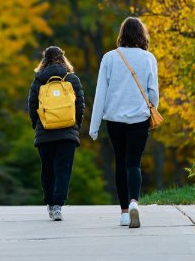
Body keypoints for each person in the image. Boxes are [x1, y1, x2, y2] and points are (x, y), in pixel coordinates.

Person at [89, 17, 159, 228]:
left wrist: (94, 128)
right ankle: (135, 201)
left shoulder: (109, 58)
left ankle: (124, 212)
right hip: (139, 118)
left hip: (115, 119)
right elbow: (153, 92)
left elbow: (101, 92)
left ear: (122, 34)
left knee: (120, 161)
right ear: (141, 35)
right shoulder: (149, 58)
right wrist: (152, 109)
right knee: (133, 163)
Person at [28, 46, 85, 221]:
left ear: (44, 60)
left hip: (44, 131)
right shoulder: (72, 79)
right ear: (63, 59)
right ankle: (58, 206)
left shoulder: (38, 81)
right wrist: (76, 126)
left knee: (47, 170)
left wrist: (36, 126)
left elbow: (32, 107)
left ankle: (50, 204)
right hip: (67, 132)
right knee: (63, 170)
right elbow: (80, 106)